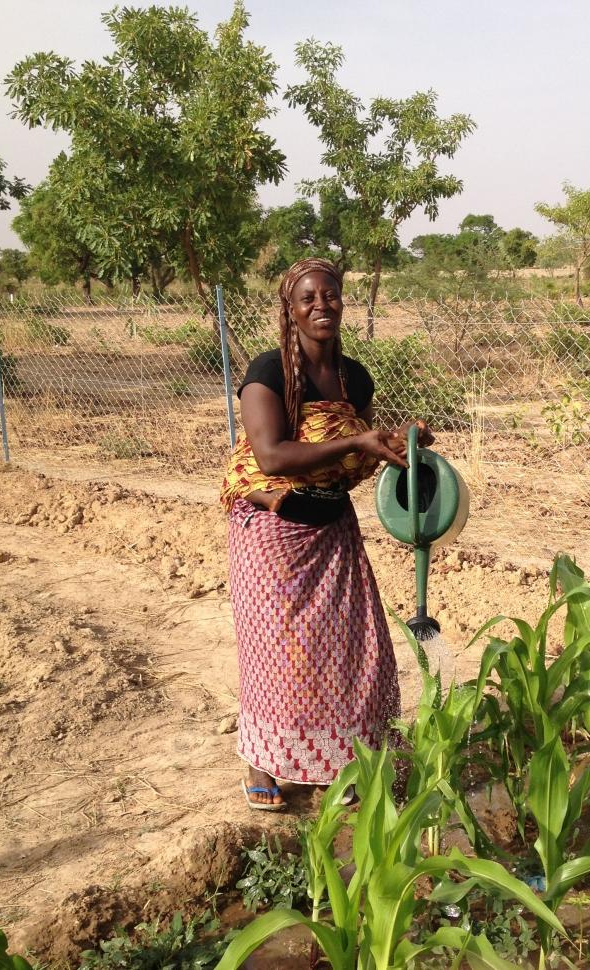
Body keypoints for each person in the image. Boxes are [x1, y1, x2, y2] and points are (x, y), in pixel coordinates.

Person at [220, 257, 431, 811]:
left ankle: (345, 760)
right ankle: (262, 760)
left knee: (350, 650)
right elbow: (273, 454)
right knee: (280, 653)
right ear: (290, 310)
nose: (322, 306)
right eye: (308, 298)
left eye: (331, 295)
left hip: (331, 525)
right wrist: (357, 444)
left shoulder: (354, 377)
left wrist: (401, 442)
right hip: (272, 529)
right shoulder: (269, 373)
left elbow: (355, 450)